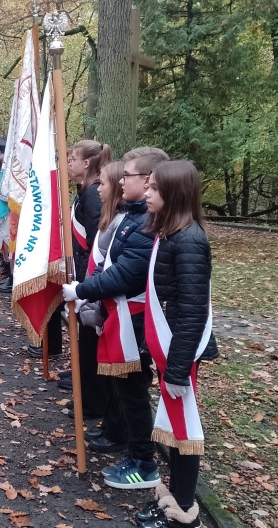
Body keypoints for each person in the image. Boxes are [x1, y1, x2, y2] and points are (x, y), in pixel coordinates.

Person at [63, 149, 170, 487]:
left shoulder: (146, 223)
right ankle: (133, 452)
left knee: (134, 396)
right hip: (121, 319)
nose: (122, 181)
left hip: (135, 325)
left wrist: (82, 291)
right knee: (124, 393)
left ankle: (144, 462)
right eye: (122, 176)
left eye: (129, 176)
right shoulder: (133, 217)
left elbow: (125, 275)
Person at [131, 159, 216, 528]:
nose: (146, 193)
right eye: (146, 186)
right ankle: (175, 497)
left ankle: (185, 514)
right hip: (170, 354)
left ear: (174, 193)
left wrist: (178, 368)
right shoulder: (169, 234)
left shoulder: (190, 241)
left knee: (184, 434)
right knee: (175, 432)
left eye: (153, 188)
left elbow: (192, 312)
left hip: (181, 356)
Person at [64, 139, 113, 422]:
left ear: (87, 163)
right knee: (85, 343)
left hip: (90, 277)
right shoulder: (83, 191)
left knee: (91, 345)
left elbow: (97, 240)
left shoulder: (94, 194)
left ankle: (93, 404)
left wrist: (87, 277)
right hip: (82, 274)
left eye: (73, 159)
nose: (69, 164)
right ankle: (87, 397)